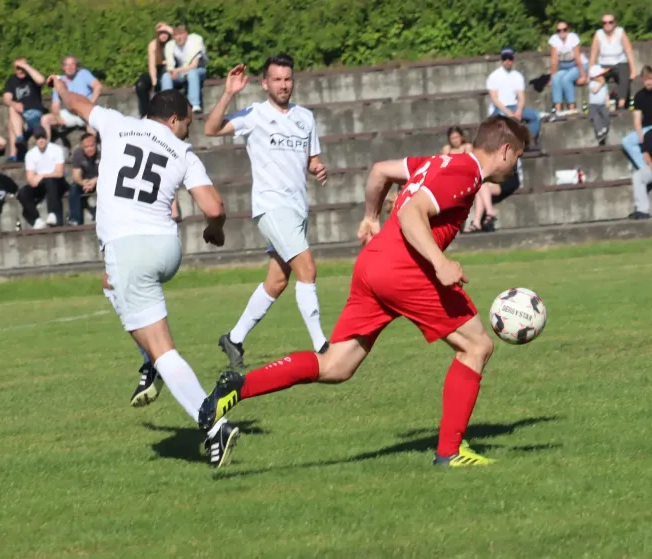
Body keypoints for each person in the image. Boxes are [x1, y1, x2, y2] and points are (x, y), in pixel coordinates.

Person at [199, 115, 530, 468]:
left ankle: (235, 388)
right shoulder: (466, 172)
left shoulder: (438, 161)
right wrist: (440, 263)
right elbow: (412, 213)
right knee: (477, 345)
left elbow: (379, 171)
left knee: (336, 366)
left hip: (373, 263)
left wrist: (371, 217)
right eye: (519, 157)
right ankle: (449, 452)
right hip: (406, 269)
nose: (517, 164)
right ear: (505, 150)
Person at [48, 75, 239, 468]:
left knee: (162, 348)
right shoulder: (184, 153)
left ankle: (212, 422)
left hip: (128, 248)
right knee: (110, 285)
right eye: (187, 121)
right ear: (172, 120)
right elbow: (215, 208)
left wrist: (61, 88)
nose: (189, 128)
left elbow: (76, 104)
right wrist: (213, 231)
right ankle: (152, 363)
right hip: (166, 249)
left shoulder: (117, 123)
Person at [203, 55, 329, 369]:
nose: (284, 85)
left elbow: (311, 160)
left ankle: (233, 338)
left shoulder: (305, 118)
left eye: (288, 79)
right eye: (277, 80)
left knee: (277, 281)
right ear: (265, 84)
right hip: (272, 207)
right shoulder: (255, 115)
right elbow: (211, 128)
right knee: (308, 269)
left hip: (298, 209)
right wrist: (229, 93)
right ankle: (322, 346)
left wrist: (318, 168)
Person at [486, 47, 541, 146]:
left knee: (535, 116)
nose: (507, 61)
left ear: (513, 59)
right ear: (502, 60)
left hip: (514, 106)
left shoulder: (517, 76)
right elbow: (494, 99)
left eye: (510, 58)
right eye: (505, 58)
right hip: (499, 108)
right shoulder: (494, 76)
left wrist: (519, 111)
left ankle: (528, 141)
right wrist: (509, 113)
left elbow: (521, 97)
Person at [40, 56, 102, 138]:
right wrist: (57, 117)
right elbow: (55, 104)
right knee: (45, 119)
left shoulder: (83, 73)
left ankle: (92, 147)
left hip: (85, 111)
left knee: (91, 122)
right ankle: (47, 147)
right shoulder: (59, 81)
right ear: (63, 67)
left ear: (76, 66)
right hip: (70, 114)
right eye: (67, 65)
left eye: (72, 64)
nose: (70, 67)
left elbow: (98, 86)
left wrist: (90, 102)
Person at [589, 14, 637, 110]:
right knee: (596, 80)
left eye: (610, 22)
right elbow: (593, 54)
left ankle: (621, 105)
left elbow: (628, 50)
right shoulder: (598, 34)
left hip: (620, 62)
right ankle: (600, 105)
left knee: (624, 77)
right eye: (604, 23)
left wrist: (633, 70)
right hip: (604, 64)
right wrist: (590, 72)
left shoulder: (620, 32)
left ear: (614, 23)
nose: (607, 24)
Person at [3, 57, 46, 161]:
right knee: (11, 110)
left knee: (11, 123)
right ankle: (19, 140)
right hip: (22, 117)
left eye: (22, 67)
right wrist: (14, 104)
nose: (20, 70)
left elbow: (41, 80)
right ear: (14, 68)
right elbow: (6, 99)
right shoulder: (11, 80)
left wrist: (25, 66)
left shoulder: (32, 78)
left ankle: (14, 154)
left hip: (36, 114)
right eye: (18, 68)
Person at [161, 24, 208, 113]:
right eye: (175, 35)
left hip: (198, 70)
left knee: (192, 73)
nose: (178, 37)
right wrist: (171, 71)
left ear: (186, 34)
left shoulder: (195, 41)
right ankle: (168, 106)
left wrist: (177, 70)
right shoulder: (170, 45)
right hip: (182, 72)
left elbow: (194, 65)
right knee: (166, 76)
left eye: (180, 34)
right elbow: (170, 65)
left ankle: (194, 105)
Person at [548, 22, 588, 114]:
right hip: (565, 67)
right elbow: (554, 60)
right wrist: (552, 77)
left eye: (564, 30)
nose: (562, 32)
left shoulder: (573, 38)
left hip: (578, 65)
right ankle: (558, 109)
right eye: (559, 30)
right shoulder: (554, 40)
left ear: (568, 30)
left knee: (566, 80)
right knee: (556, 79)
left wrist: (583, 76)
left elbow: (577, 58)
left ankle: (571, 107)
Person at [135, 22, 174, 117]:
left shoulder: (173, 43)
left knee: (164, 82)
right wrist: (154, 81)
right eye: (161, 33)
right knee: (141, 84)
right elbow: (151, 65)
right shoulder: (153, 45)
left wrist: (169, 28)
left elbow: (178, 35)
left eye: (165, 33)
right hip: (157, 70)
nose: (163, 35)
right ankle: (145, 113)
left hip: (169, 70)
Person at [69, 133, 99, 225]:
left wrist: (95, 180)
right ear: (82, 147)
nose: (89, 149)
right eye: (86, 147)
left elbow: (109, 171)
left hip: (102, 179)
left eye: (92, 146)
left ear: (96, 144)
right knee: (74, 187)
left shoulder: (103, 152)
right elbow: (76, 174)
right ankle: (75, 219)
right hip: (86, 181)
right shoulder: (78, 153)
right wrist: (82, 182)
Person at [588, 65, 611, 145]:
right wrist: (600, 84)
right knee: (596, 117)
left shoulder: (605, 85)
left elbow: (606, 93)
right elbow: (594, 90)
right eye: (600, 75)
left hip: (602, 104)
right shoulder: (592, 83)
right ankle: (599, 130)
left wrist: (607, 101)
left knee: (606, 115)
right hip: (593, 105)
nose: (602, 77)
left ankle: (604, 127)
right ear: (595, 77)